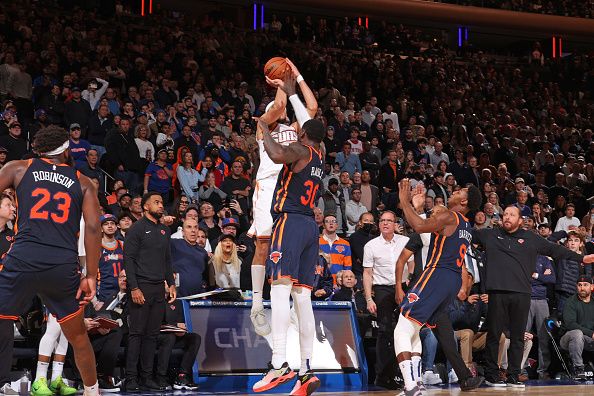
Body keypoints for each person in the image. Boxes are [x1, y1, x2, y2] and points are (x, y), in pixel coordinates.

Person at [0, 126, 102, 396]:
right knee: (78, 336)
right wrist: (90, 274)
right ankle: (93, 391)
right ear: (66, 150)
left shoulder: (18, 168)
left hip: (23, 257)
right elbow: (93, 228)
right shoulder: (84, 182)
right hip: (61, 264)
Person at [471, 205, 594, 388]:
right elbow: (463, 232)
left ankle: (513, 375)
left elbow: (555, 250)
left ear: (520, 220)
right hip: (497, 292)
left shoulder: (530, 238)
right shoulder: (489, 234)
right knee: (494, 335)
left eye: (512, 215)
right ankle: (491, 375)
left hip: (522, 293)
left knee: (519, 337)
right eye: (505, 214)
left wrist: (581, 258)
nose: (507, 217)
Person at [252, 101, 325, 395]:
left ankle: (279, 363)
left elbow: (277, 153)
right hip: (310, 228)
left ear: (303, 133)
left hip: (290, 221)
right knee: (303, 298)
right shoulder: (321, 156)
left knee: (280, 290)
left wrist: (262, 127)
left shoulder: (301, 150)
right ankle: (306, 370)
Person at [248, 58, 316, 337]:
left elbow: (311, 108)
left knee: (288, 247)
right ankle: (255, 305)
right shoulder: (264, 123)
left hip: (288, 189)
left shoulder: (298, 130)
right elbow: (278, 106)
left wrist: (296, 77)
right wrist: (282, 84)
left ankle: (288, 304)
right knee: (263, 246)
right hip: (267, 184)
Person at [395, 179, 482, 396]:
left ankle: (410, 387)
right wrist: (417, 208)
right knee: (418, 330)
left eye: (460, 189)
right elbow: (429, 228)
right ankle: (418, 384)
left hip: (436, 274)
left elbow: (419, 226)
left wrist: (404, 201)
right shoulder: (465, 225)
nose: (455, 190)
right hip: (451, 281)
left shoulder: (449, 216)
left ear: (464, 200)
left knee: (403, 328)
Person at [123, 192, 176, 392]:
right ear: (145, 207)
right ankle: (131, 378)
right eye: (156, 202)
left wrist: (171, 283)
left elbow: (167, 259)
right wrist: (134, 287)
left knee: (152, 335)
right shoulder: (136, 229)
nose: (161, 205)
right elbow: (128, 261)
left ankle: (147, 377)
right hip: (141, 286)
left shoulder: (164, 230)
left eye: (162, 202)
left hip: (158, 288)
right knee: (136, 334)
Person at [362, 210, 409, 390]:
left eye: (389, 221)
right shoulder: (371, 245)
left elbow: (411, 263)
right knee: (385, 331)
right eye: (382, 220)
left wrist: (410, 280)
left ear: (395, 224)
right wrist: (368, 298)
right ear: (379, 224)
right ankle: (383, 375)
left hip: (403, 287)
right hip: (382, 289)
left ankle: (403, 373)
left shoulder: (405, 241)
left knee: (405, 331)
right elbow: (367, 273)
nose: (385, 223)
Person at [559, 275, 594, 379]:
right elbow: (571, 324)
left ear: (592, 287)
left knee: (580, 334)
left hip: (587, 339)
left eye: (585, 285)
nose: (582, 288)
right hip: (568, 338)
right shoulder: (571, 302)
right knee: (577, 333)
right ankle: (578, 369)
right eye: (579, 285)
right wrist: (591, 333)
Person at [170, 218, 209, 297]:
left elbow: (204, 277)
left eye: (195, 227)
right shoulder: (174, 244)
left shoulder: (203, 252)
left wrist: (204, 292)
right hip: (178, 297)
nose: (193, 230)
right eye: (189, 227)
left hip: (197, 298)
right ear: (183, 232)